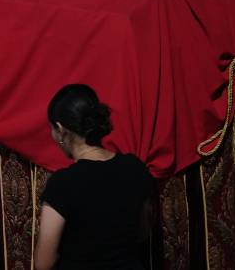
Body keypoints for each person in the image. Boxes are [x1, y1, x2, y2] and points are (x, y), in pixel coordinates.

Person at [34, 84, 156, 270]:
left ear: (60, 129)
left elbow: (44, 263)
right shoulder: (135, 168)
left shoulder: (62, 183)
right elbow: (144, 231)